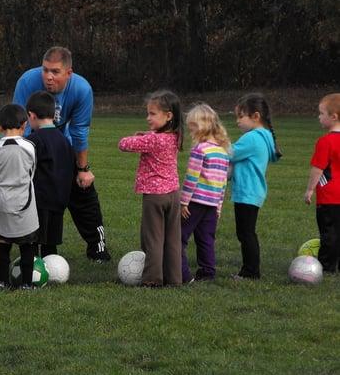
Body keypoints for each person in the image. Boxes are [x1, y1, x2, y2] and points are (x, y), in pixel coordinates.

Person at [13, 46, 110, 262]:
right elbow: (20, 124)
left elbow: (80, 130)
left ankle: (97, 248)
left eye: (55, 72)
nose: (48, 76)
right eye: (45, 70)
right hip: (32, 145)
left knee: (84, 193)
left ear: (69, 73)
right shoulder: (28, 81)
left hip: (63, 147)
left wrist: (83, 169)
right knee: (10, 193)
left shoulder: (81, 89)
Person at [118, 90, 184, 287]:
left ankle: (152, 279)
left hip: (155, 196)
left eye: (153, 114)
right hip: (173, 194)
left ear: (168, 116)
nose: (148, 118)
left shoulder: (153, 140)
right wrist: (147, 134)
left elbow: (123, 144)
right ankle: (174, 279)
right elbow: (154, 137)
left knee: (153, 238)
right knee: (173, 239)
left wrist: (139, 137)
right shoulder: (175, 136)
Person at [0, 104, 39, 290]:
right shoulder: (29, 147)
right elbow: (32, 171)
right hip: (25, 202)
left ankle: (3, 282)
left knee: (2, 243)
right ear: (24, 124)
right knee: (27, 245)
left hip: (0, 202)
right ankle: (26, 283)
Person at [231, 93, 282, 280]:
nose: (237, 121)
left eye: (240, 116)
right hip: (254, 192)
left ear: (256, 116)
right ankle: (251, 269)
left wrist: (214, 143)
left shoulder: (251, 138)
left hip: (247, 192)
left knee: (245, 233)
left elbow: (229, 153)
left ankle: (250, 272)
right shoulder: (264, 136)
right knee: (247, 232)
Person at [180, 103, 230, 283]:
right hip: (211, 204)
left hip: (195, 202)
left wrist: (183, 202)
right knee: (206, 238)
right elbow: (223, 183)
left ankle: (181, 272)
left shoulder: (199, 150)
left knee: (179, 237)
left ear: (202, 125)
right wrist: (218, 206)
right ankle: (207, 272)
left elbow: (191, 178)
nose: (190, 129)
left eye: (192, 125)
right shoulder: (223, 152)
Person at [26, 91, 75, 258]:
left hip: (39, 200)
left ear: (31, 115)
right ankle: (52, 268)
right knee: (50, 243)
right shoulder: (64, 140)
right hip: (59, 199)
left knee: (32, 240)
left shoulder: (34, 140)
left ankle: (32, 270)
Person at [304, 93, 340, 273]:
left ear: (333, 117)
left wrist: (310, 189)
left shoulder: (325, 142)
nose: (318, 117)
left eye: (321, 113)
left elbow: (318, 169)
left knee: (329, 234)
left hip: (330, 197)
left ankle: (327, 266)